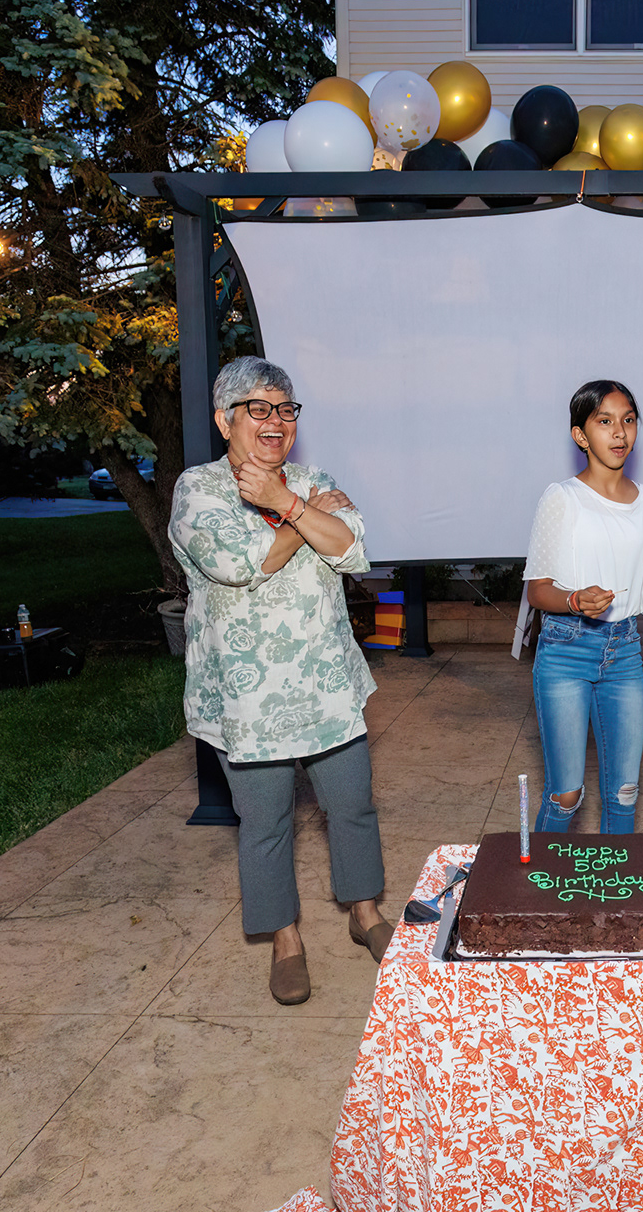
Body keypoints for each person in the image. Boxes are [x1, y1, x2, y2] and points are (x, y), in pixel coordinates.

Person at [170, 358, 391, 1006]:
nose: (275, 421)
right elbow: (241, 563)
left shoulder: (312, 480)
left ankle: (365, 913)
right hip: (249, 698)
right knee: (266, 822)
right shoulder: (199, 490)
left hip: (326, 682)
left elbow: (351, 549)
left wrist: (287, 503)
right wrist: (303, 518)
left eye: (286, 408)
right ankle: (285, 940)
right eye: (259, 408)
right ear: (225, 420)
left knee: (352, 805)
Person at [514, 380, 643, 833]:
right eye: (604, 421)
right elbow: (538, 591)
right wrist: (573, 601)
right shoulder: (562, 498)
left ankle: (615, 881)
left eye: (628, 420)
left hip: (624, 652)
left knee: (625, 792)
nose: (619, 432)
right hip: (565, 650)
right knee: (566, 795)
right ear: (580, 435)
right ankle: (541, 878)